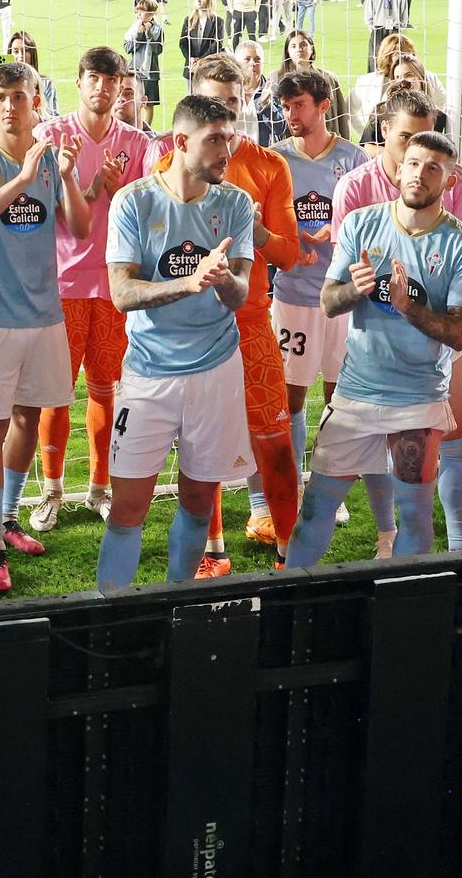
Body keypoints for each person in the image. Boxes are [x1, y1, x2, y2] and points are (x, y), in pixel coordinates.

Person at [285, 131, 462, 562]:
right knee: (315, 509)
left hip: (418, 397)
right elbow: (328, 300)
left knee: (414, 516)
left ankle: (399, 612)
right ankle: (289, 602)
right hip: (356, 392)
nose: (420, 174)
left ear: (450, 181)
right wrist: (353, 291)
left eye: (434, 168)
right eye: (413, 163)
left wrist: (411, 309)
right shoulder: (361, 223)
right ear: (398, 169)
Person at [96, 95, 255, 593]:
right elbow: (122, 294)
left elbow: (240, 295)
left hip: (216, 370)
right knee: (127, 508)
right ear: (181, 142)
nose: (225, 150)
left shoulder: (235, 204)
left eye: (228, 138)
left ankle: (177, 602)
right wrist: (189, 283)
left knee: (198, 501)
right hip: (149, 373)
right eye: (214, 140)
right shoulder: (134, 201)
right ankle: (110, 615)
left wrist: (223, 279)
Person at [0, 62, 90, 592]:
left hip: (45, 315)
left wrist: (69, 176)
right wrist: (23, 180)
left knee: (27, 420)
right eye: (1, 96)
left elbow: (78, 228)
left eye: (20, 96)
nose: (10, 105)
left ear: (37, 100)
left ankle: (8, 518)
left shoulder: (52, 159)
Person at [334, 87, 462, 550]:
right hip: (374, 341)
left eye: (426, 138)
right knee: (376, 442)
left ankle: (460, 543)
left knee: (457, 428)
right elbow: (343, 281)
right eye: (406, 138)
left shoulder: (442, 183)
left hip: (431, 338)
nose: (416, 156)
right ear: (385, 133)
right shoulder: (356, 189)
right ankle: (387, 532)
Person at [178, 56, 302, 569]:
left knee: (274, 443)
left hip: (251, 323)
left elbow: (289, 255)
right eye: (212, 102)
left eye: (232, 102)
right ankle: (213, 552)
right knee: (197, 450)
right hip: (192, 329)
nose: (224, 115)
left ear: (246, 99)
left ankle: (289, 549)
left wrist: (257, 230)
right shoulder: (171, 165)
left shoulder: (269, 165)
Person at [28, 47, 151, 529]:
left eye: (111, 80)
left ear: (123, 87)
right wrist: (89, 186)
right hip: (62, 283)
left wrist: (112, 189)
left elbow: (142, 217)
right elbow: (43, 216)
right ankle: (51, 491)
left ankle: (100, 487)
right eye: (94, 78)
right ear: (78, 82)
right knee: (56, 392)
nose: (102, 88)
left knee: (106, 388)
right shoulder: (50, 135)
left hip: (116, 286)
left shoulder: (137, 144)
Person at [268, 70, 366, 534]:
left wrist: (340, 232)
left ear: (324, 106)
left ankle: (327, 484)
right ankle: (290, 486)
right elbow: (262, 223)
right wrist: (292, 238)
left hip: (342, 299)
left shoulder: (354, 159)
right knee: (291, 398)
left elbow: (369, 222)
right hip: (293, 296)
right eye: (285, 106)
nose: (290, 115)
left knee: (339, 396)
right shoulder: (275, 160)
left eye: (299, 105)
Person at [123, 0, 164, 125]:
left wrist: (149, 34)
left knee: (148, 104)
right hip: (134, 69)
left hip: (151, 71)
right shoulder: (134, 29)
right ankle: (132, 126)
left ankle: (146, 130)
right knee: (133, 101)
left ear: (152, 14)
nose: (139, 15)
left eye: (143, 12)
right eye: (138, 12)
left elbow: (158, 50)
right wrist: (139, 35)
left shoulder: (158, 30)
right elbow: (128, 49)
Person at [363, 0, 406, 73]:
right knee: (376, 57)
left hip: (394, 30)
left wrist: (400, 28)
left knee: (395, 57)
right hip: (379, 28)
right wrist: (372, 28)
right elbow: (368, 12)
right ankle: (374, 79)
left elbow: (404, 13)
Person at [3, 30, 58, 112]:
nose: (21, 56)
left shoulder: (46, 83)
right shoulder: (2, 84)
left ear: (32, 54)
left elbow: (53, 116)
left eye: (26, 51)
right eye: (16, 51)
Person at [180, 0, 225, 79]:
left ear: (209, 1)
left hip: (209, 68)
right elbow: (183, 42)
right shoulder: (189, 20)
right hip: (191, 67)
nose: (198, 0)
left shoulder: (217, 21)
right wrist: (191, 58)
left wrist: (202, 60)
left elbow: (217, 44)